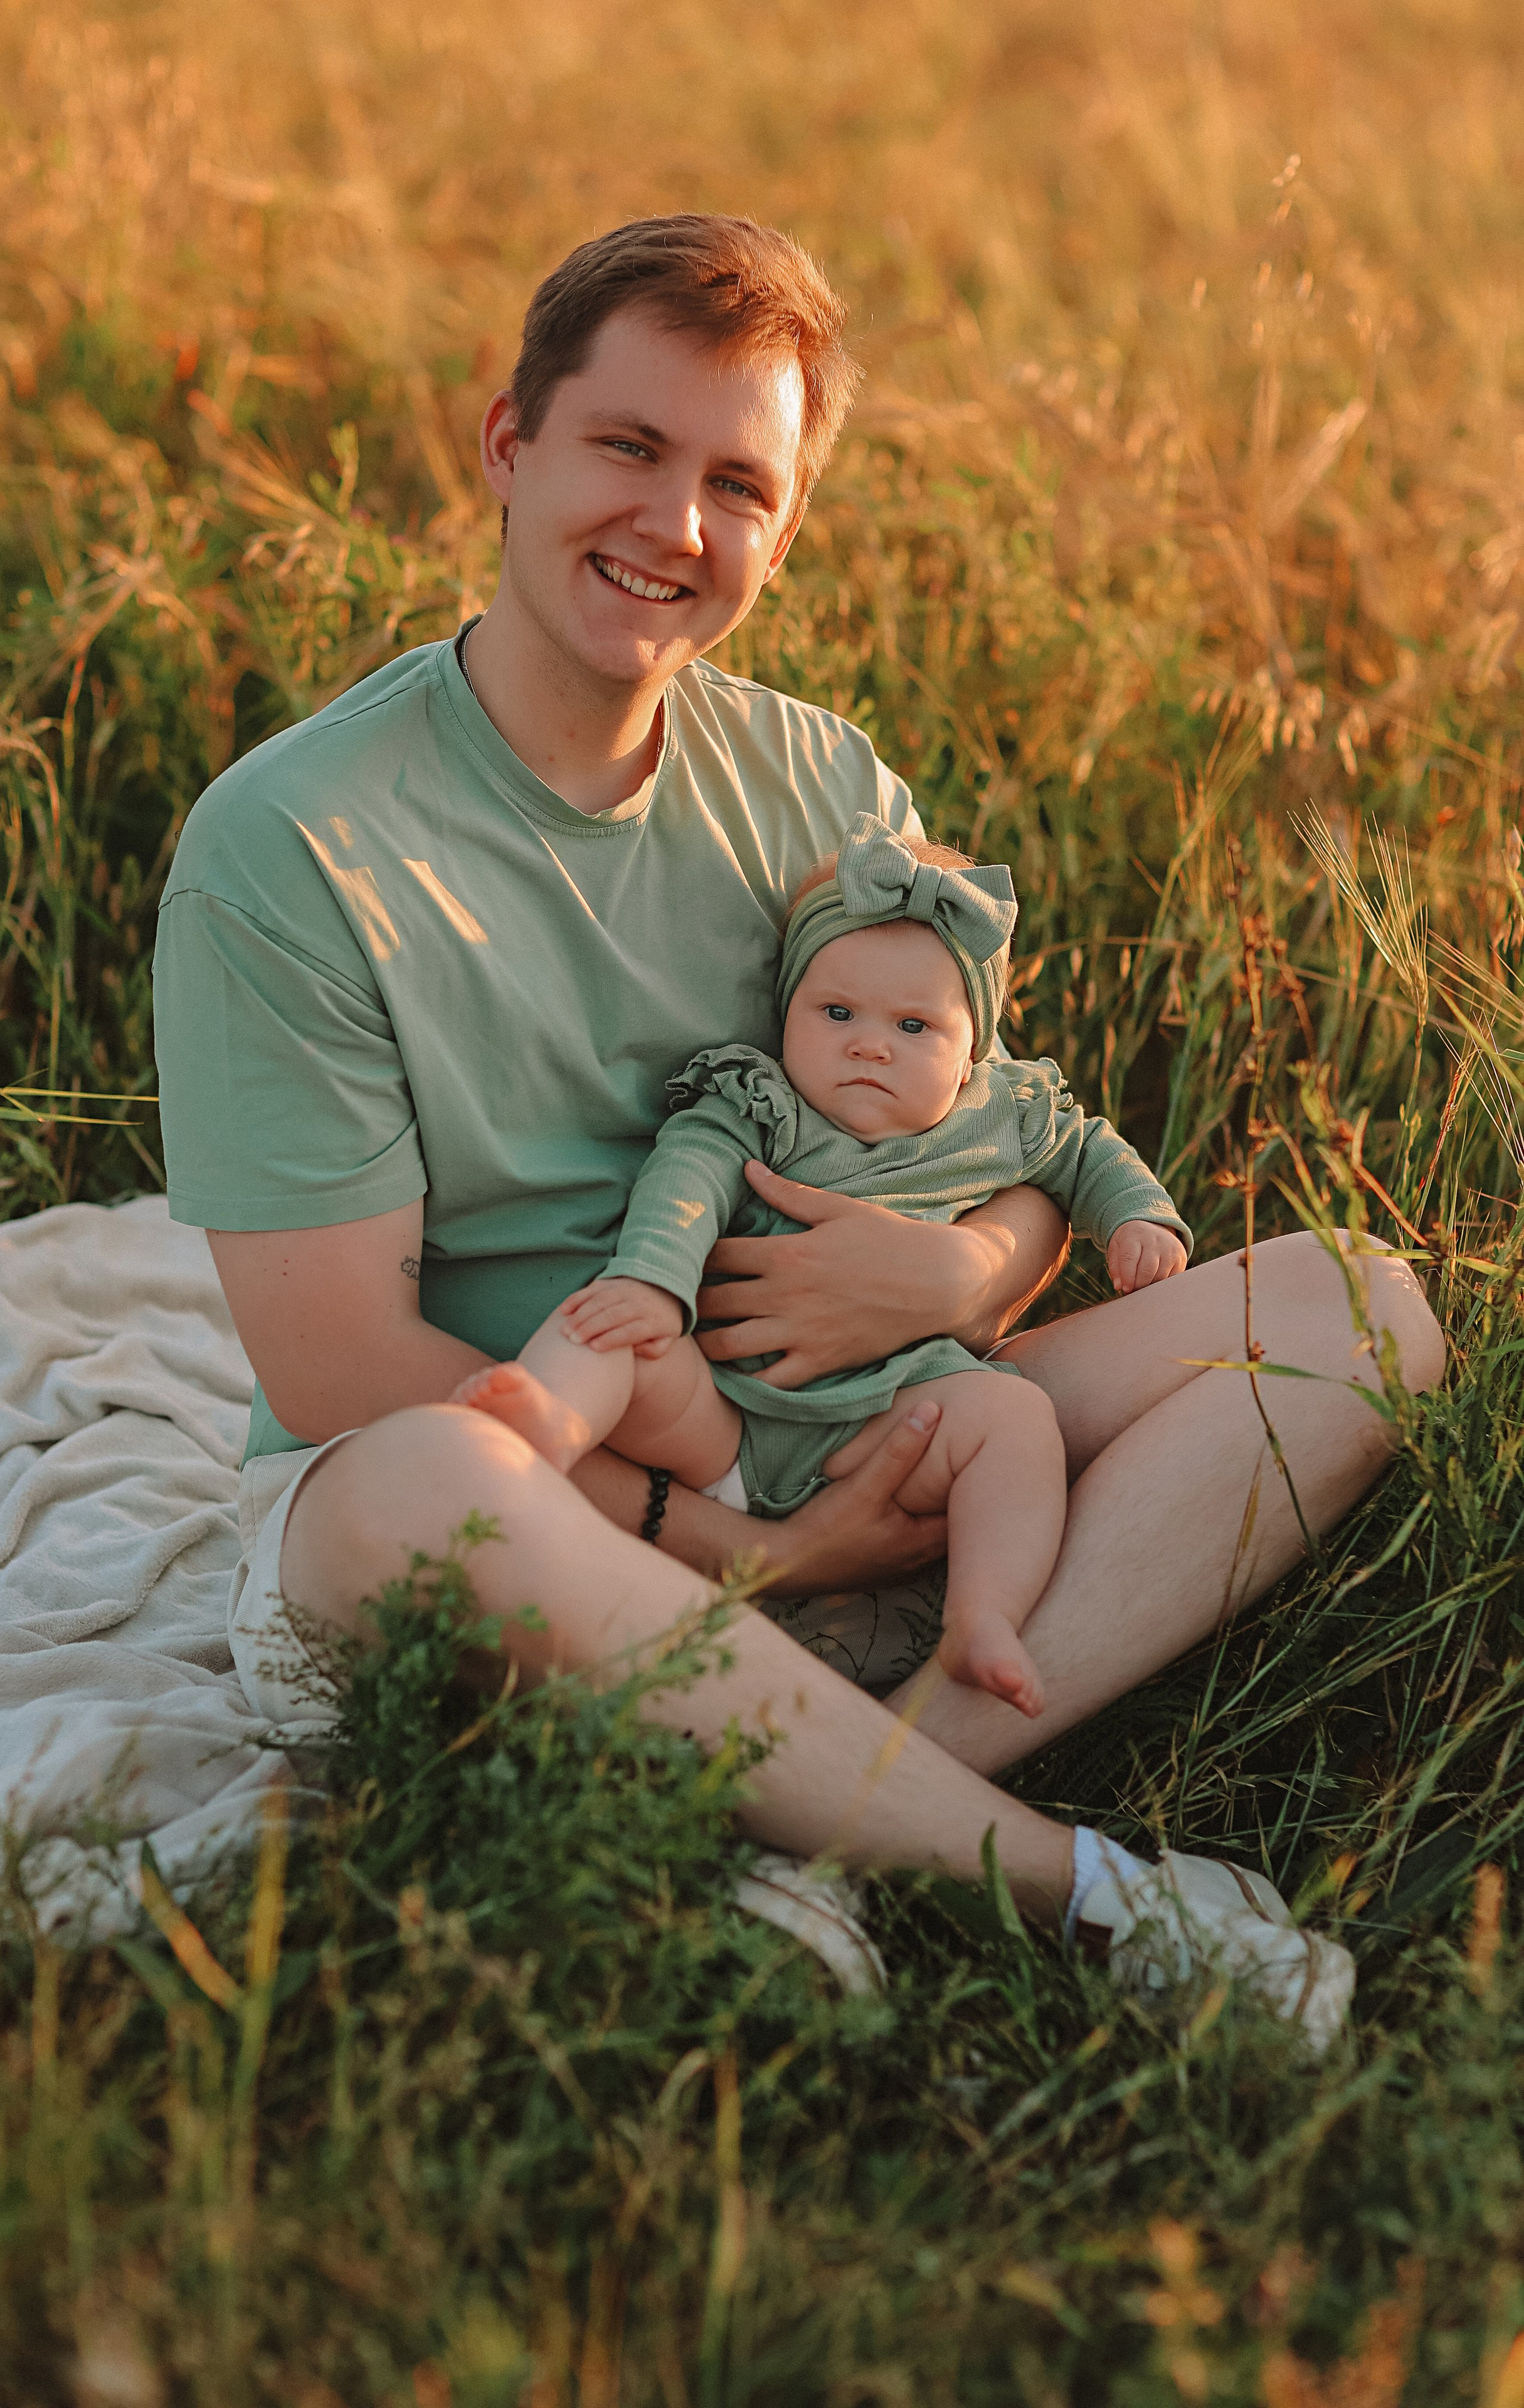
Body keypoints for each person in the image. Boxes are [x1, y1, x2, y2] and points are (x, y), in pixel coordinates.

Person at [154, 214, 1444, 2049]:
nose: (675, 525)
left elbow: (987, 1128)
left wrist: (966, 1268)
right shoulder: (290, 844)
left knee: (1358, 1308)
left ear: (788, 520)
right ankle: (1081, 1889)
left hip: (856, 1415)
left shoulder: (823, 784)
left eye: (737, 485)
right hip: (534, 1499)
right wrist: (747, 1548)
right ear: (509, 443)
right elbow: (341, 1363)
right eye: (627, 446)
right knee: (418, 1481)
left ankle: (825, 1822)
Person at [453, 816, 1190, 1714]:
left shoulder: (1002, 1115)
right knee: (608, 1324)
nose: (869, 1045)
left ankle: (984, 1615)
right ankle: (546, 1428)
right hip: (722, 1421)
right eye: (836, 1013)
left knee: (1015, 1421)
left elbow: (1089, 1153)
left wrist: (1139, 1218)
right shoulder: (761, 1103)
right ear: (788, 1010)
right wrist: (653, 1284)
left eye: (914, 1026)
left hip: (894, 1420)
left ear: (972, 1051)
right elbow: (684, 1181)